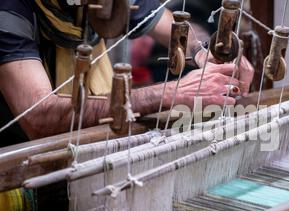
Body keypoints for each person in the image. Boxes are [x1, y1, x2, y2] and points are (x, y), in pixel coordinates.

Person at [0, 0, 254, 144]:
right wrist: (167, 93)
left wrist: (209, 54)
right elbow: (39, 117)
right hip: (17, 172)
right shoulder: (10, 7)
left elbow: (179, 33)